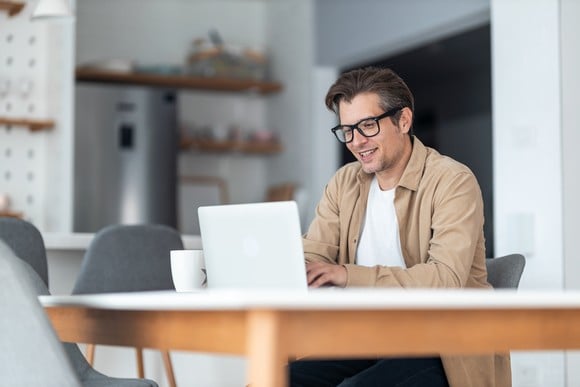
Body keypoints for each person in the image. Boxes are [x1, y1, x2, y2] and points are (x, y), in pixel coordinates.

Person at [290, 67, 511, 387]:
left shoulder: (452, 181)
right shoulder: (344, 183)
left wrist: (346, 274)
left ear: (403, 120)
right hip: (366, 337)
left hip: (444, 343)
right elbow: (315, 252)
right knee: (273, 379)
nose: (356, 141)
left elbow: (445, 278)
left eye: (367, 125)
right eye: (347, 129)